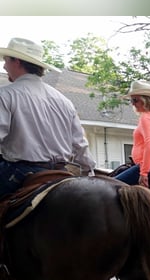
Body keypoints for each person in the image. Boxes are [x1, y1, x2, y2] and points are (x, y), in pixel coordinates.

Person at [0, 37, 95, 199]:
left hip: (20, 174)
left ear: (16, 61)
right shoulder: (64, 101)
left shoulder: (6, 95)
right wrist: (88, 172)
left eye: (6, 60)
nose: (4, 65)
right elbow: (80, 144)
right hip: (61, 173)